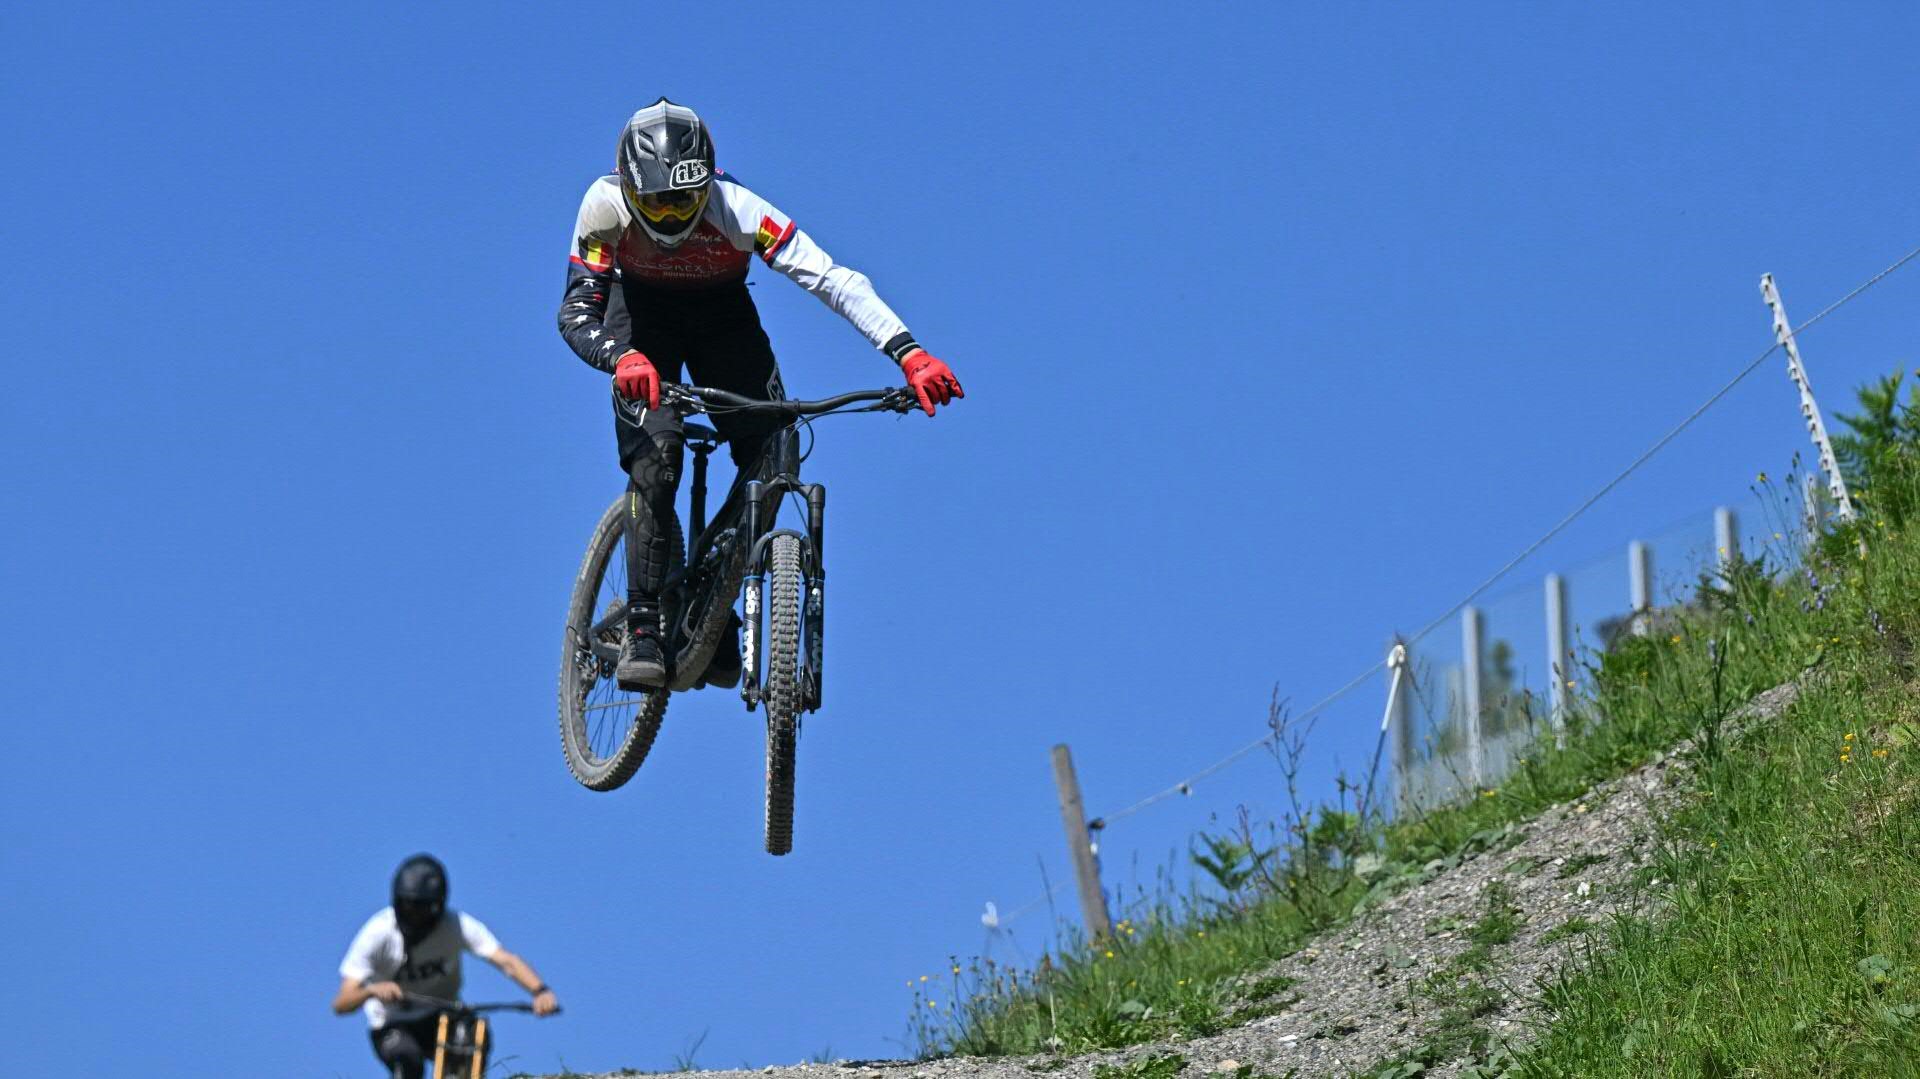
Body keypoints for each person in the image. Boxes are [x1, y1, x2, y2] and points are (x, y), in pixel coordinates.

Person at [557, 97, 963, 691]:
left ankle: (712, 603)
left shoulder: (739, 208)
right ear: (630, 188)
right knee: (659, 457)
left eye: (684, 202)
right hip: (639, 320)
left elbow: (830, 278)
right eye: (657, 203)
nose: (670, 217)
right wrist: (622, 359)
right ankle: (644, 623)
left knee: (776, 450)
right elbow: (576, 311)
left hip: (721, 318)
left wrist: (909, 352)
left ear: (708, 185)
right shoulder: (603, 203)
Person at [332, 854, 558, 1078]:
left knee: (472, 1036)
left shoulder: (456, 926)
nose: (414, 914)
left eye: (421, 908)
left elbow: (506, 961)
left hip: (441, 1017)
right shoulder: (377, 933)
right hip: (392, 1023)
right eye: (409, 905)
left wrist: (540, 991)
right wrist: (371, 991)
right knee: (408, 1062)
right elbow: (341, 1003)